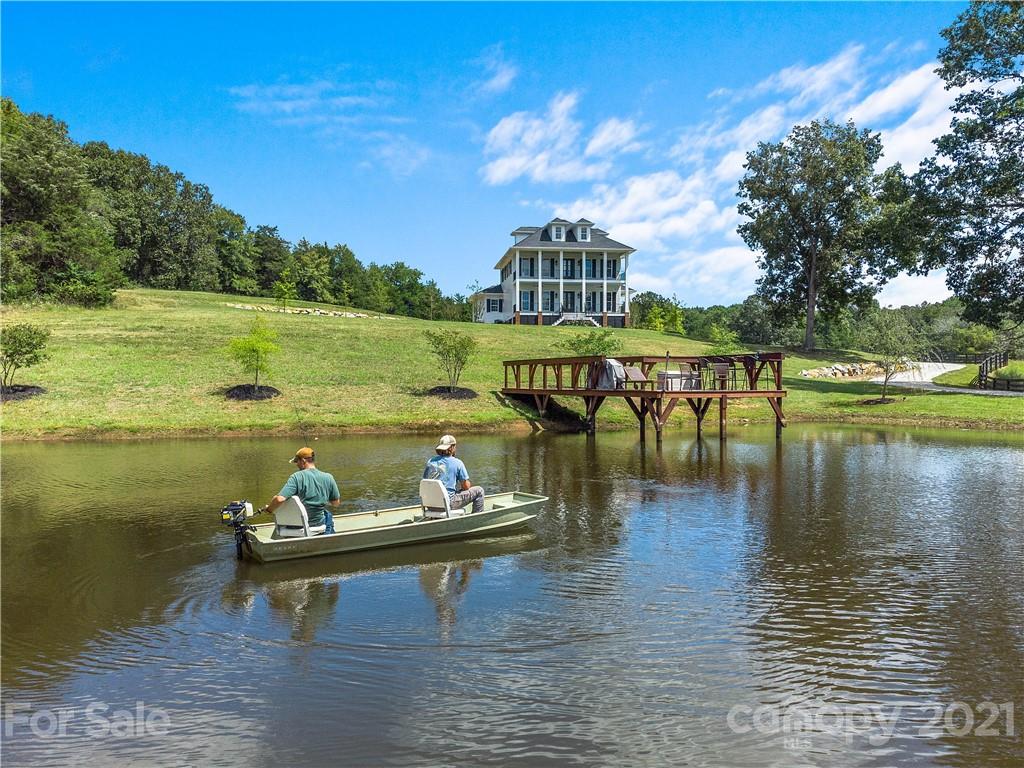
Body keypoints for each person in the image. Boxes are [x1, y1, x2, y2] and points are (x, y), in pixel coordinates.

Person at [263, 447, 340, 534]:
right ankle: (328, 537)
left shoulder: (296, 477)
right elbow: (336, 503)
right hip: (318, 523)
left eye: (297, 461)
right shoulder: (328, 477)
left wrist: (268, 509)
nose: (296, 464)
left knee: (327, 514)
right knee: (327, 514)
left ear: (303, 461)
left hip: (297, 525)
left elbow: (279, 499)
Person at [422, 434, 485, 514]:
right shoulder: (457, 463)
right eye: (455, 446)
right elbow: (466, 487)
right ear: (452, 447)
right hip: (447, 504)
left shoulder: (430, 461)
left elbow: (425, 481)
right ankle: (477, 518)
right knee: (479, 491)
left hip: (430, 504)